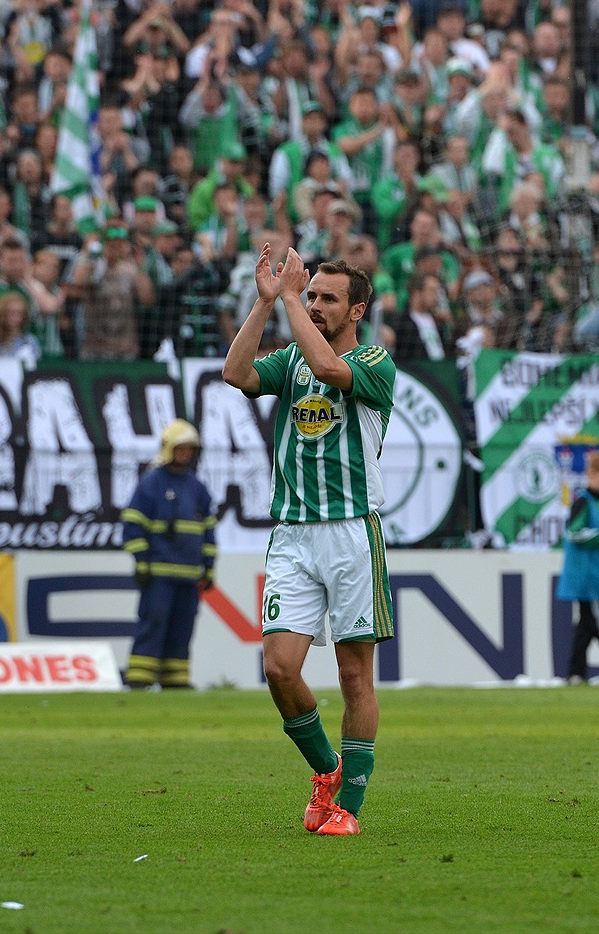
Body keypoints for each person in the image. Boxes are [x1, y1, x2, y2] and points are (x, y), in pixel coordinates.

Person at [223, 244, 396, 836]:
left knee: (354, 677)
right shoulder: (291, 358)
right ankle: (327, 771)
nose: (317, 305)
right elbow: (236, 374)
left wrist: (291, 296)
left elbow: (329, 370)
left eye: (328, 298)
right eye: (313, 294)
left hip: (352, 533)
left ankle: (348, 806)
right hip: (293, 534)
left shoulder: (376, 362)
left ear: (357, 310)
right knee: (278, 668)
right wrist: (266, 302)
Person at [120, 420, 217, 690]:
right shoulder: (151, 483)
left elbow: (208, 530)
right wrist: (141, 561)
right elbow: (132, 523)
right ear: (169, 449)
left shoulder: (197, 487)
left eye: (189, 449)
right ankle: (140, 679)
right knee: (153, 623)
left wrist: (209, 568)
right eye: (181, 448)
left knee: (182, 630)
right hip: (158, 573)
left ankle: (175, 680)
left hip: (188, 576)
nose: (185, 453)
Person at [556, 451, 599, 685]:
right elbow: (574, 534)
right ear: (591, 475)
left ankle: (575, 672)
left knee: (587, 626)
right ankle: (575, 672)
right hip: (587, 575)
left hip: (597, 574)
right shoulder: (583, 502)